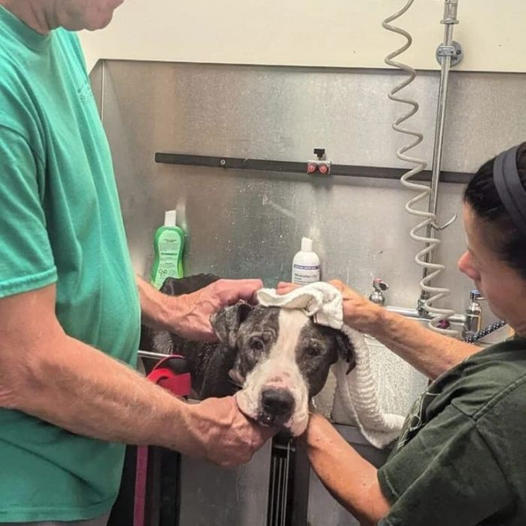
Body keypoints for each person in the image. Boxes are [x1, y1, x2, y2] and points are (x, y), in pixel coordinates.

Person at [0, 1, 274, 525]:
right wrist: (194, 427)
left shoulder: (55, 31)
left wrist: (170, 308)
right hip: (20, 490)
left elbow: (65, 250)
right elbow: (24, 366)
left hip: (78, 467)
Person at [278, 143, 526, 525]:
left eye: (479, 258)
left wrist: (295, 410)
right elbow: (489, 369)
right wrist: (376, 319)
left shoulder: (490, 412)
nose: (463, 264)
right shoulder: (509, 376)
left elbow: (384, 505)